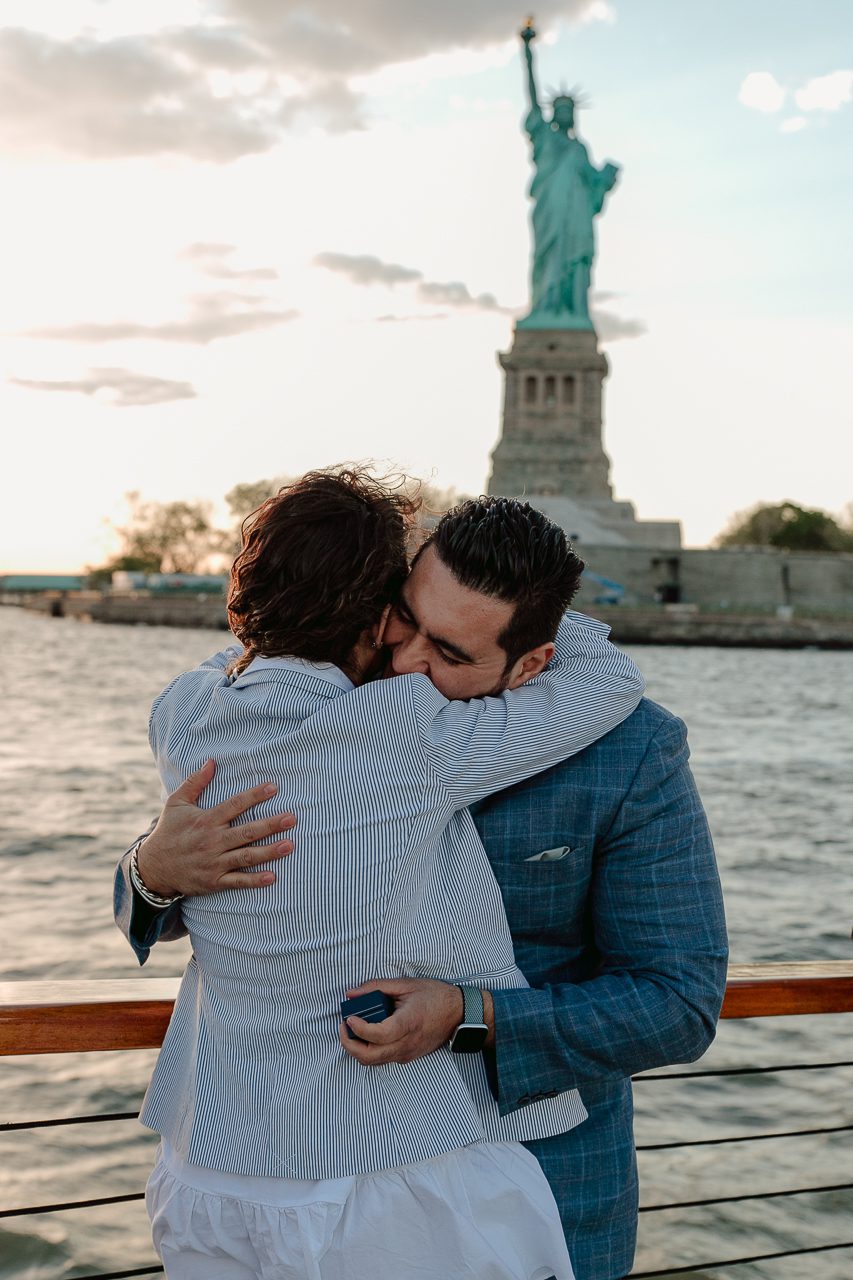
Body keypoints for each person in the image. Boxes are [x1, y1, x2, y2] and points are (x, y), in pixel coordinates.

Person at [117, 485, 727, 1280]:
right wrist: (152, 872)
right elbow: (225, 887)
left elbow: (676, 1003)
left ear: (537, 659)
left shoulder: (631, 753)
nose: (406, 662)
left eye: (450, 652)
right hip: (278, 1178)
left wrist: (468, 1018)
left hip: (533, 1177)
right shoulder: (326, 683)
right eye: (406, 617)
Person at [518, 22, 619, 328]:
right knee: (548, 258)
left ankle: (573, 312)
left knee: (575, 262)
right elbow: (532, 97)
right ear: (552, 113)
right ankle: (544, 310)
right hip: (551, 209)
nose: (564, 114)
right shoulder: (545, 137)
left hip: (576, 216)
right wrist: (527, 53)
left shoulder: (579, 149)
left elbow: (594, 189)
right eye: (559, 108)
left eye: (568, 109)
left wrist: (606, 178)